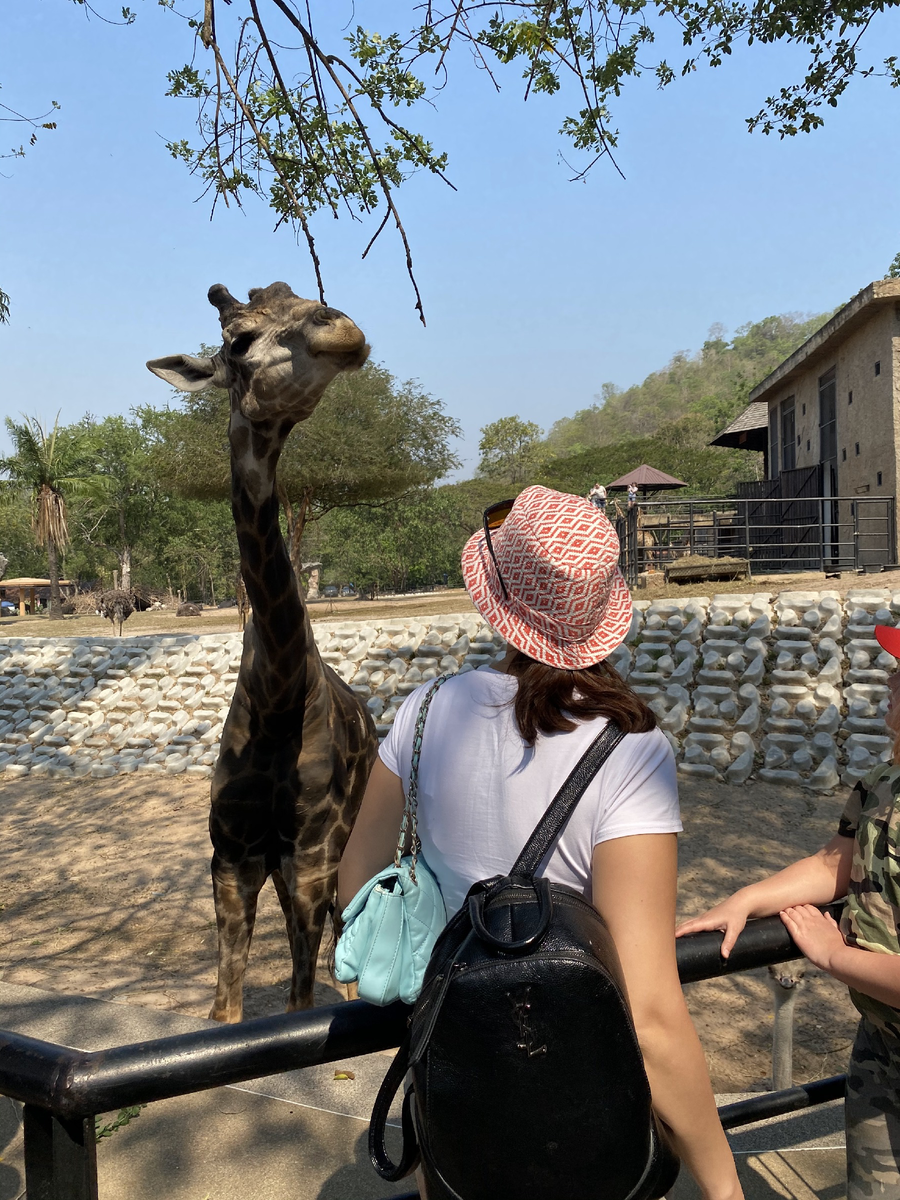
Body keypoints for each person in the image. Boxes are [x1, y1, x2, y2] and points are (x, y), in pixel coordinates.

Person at [339, 485, 743, 1200]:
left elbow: (357, 880)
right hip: (575, 1087)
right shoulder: (630, 749)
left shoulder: (425, 711)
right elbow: (649, 1012)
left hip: (456, 1076)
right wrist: (724, 1186)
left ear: (498, 601)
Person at [676, 623, 900, 1200]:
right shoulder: (884, 783)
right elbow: (836, 862)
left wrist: (832, 955)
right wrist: (746, 899)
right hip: (884, 1044)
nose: (891, 682)